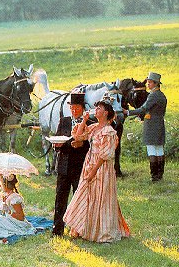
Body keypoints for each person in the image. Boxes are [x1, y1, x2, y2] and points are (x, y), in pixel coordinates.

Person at [63, 100, 130, 243]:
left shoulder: (109, 132)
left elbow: (105, 155)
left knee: (101, 197)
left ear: (105, 112)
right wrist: (84, 120)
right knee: (86, 196)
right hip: (90, 163)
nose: (96, 110)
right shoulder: (94, 127)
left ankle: (103, 233)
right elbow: (77, 136)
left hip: (102, 167)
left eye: (99, 108)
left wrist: (93, 172)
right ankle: (84, 227)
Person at [52, 93, 90, 236]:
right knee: (60, 198)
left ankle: (78, 229)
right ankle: (57, 229)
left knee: (78, 198)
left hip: (80, 166)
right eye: (72, 108)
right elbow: (57, 140)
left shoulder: (89, 123)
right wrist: (57, 145)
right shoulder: (64, 121)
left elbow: (91, 146)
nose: (74, 111)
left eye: (77, 108)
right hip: (63, 165)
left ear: (82, 108)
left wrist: (81, 143)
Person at [123, 72, 167, 182]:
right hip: (160, 124)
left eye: (149, 82)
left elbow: (143, 109)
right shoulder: (162, 96)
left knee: (151, 150)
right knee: (159, 150)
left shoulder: (153, 96)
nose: (148, 84)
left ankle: (154, 176)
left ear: (155, 83)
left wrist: (128, 112)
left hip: (151, 125)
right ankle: (159, 175)